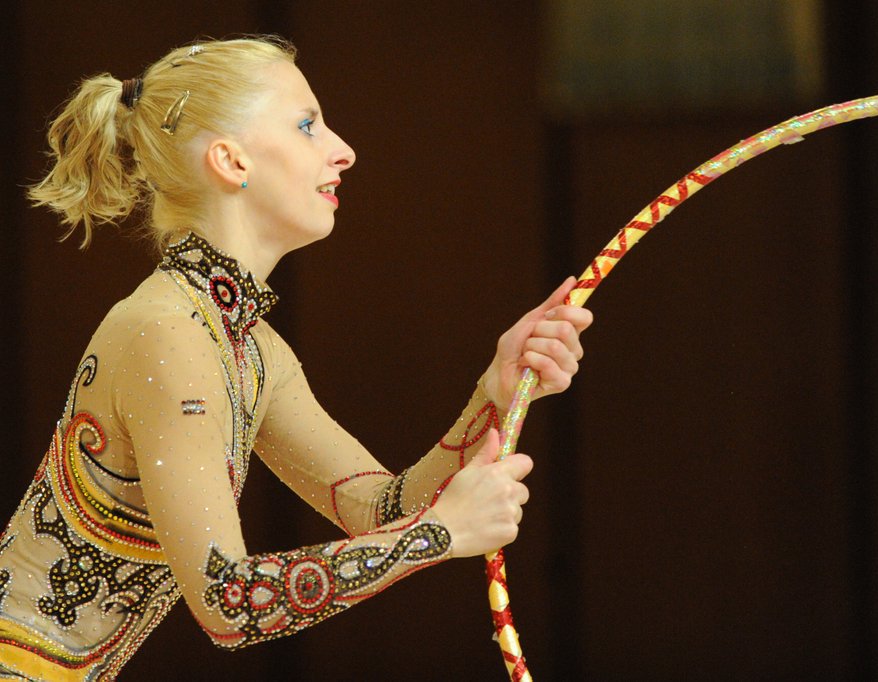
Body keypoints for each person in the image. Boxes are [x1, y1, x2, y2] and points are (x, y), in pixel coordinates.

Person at [0, 36, 592, 680]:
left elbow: (378, 509)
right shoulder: (166, 335)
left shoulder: (248, 346)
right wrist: (439, 536)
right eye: (308, 125)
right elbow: (228, 602)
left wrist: (493, 394)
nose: (344, 150)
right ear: (231, 160)